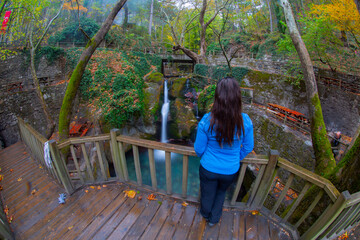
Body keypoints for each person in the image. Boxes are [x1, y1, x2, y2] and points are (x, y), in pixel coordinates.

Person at [194, 77, 254, 227]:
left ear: (217, 97)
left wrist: (207, 158)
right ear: (238, 98)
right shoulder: (245, 121)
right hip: (230, 169)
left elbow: (199, 149)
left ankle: (205, 214)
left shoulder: (207, 120)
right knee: (221, 193)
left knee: (207, 193)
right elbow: (248, 147)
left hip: (208, 167)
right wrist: (235, 158)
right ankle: (214, 220)